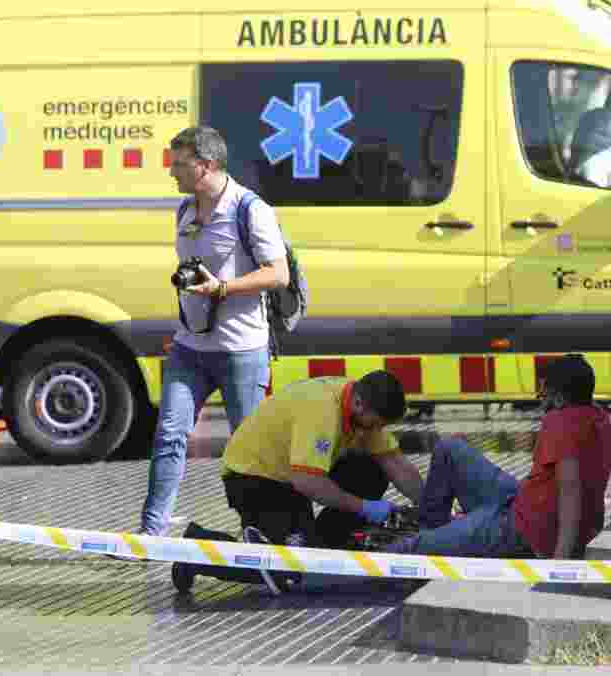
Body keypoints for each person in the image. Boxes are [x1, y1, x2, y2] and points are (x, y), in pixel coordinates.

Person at [135, 125, 290, 540]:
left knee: (247, 447)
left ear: (206, 166)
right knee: (169, 433)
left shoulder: (249, 209)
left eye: (179, 165)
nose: (172, 173)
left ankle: (257, 533)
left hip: (240, 349)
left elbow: (278, 273)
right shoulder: (184, 210)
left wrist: (222, 288)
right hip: (189, 347)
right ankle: (151, 535)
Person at [171, 370, 424, 593]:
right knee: (292, 568)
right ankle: (197, 549)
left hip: (290, 475)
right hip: (255, 479)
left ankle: (318, 542)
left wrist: (431, 508)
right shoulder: (323, 411)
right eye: (376, 424)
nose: (376, 430)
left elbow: (396, 464)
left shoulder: (362, 405)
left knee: (371, 471)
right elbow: (307, 482)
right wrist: (364, 507)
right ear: (359, 403)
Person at [383, 354, 611, 560]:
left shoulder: (562, 422)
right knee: (449, 449)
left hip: (521, 531)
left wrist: (559, 565)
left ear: (561, 397)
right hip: (519, 503)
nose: (540, 400)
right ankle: (437, 537)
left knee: (412, 547)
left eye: (544, 394)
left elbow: (570, 491)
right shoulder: (597, 417)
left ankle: (407, 555)